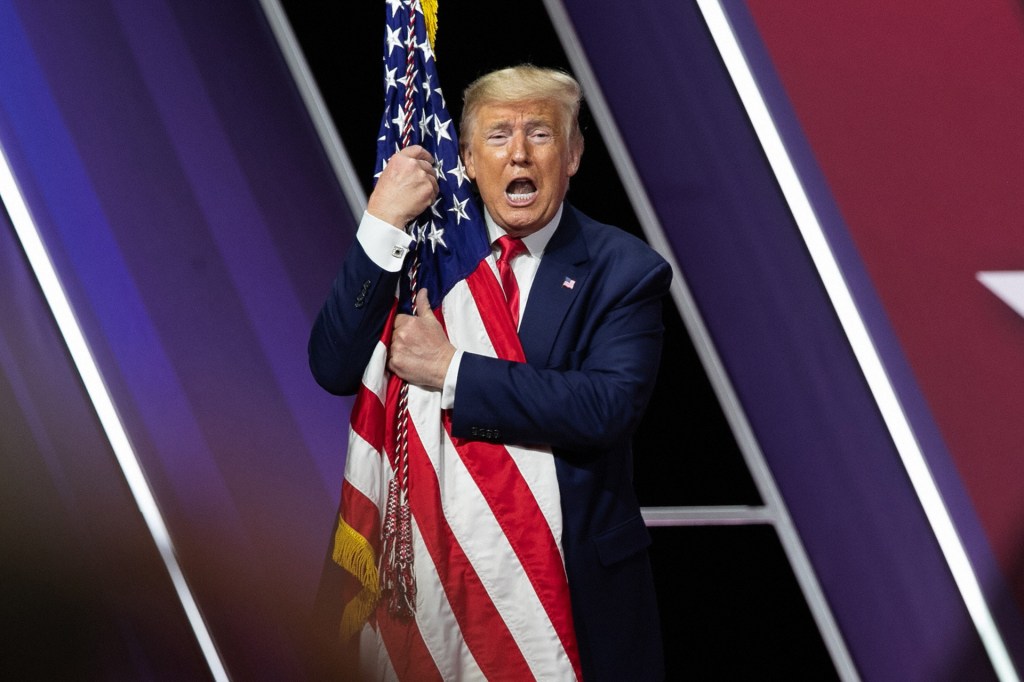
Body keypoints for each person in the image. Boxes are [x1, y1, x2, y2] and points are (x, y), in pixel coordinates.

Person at [309, 65, 669, 681]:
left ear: (575, 153)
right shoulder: (424, 260)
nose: (520, 152)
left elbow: (606, 406)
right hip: (425, 586)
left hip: (568, 601)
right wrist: (381, 222)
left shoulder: (624, 270)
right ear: (469, 160)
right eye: (498, 136)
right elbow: (334, 365)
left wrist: (451, 370)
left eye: (541, 133)